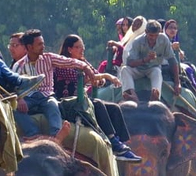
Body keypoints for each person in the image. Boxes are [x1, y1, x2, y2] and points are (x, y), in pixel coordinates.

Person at [55, 34, 141, 162]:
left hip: (81, 102)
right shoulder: (62, 64)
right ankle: (113, 141)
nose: (82, 50)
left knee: (114, 108)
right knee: (98, 104)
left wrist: (100, 79)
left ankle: (121, 144)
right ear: (69, 49)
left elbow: (96, 76)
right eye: (78, 47)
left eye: (82, 47)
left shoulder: (83, 62)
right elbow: (84, 78)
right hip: (68, 104)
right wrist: (106, 76)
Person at [12, 29, 96, 138]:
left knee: (53, 105)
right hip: (29, 98)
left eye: (43, 43)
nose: (43, 46)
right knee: (14, 109)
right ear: (29, 47)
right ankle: (33, 133)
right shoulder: (19, 65)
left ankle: (56, 135)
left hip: (46, 96)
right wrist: (19, 99)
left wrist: (86, 67)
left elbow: (69, 61)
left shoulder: (49, 58)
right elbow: (12, 85)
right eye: (39, 44)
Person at [120, 19, 180, 102]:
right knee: (124, 70)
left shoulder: (164, 39)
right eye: (151, 35)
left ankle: (155, 95)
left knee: (157, 72)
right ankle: (132, 95)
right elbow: (130, 62)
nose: (153, 38)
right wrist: (145, 60)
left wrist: (177, 83)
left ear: (159, 33)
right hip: (138, 69)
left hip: (153, 68)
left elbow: (172, 60)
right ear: (145, 32)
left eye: (156, 35)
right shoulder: (137, 41)